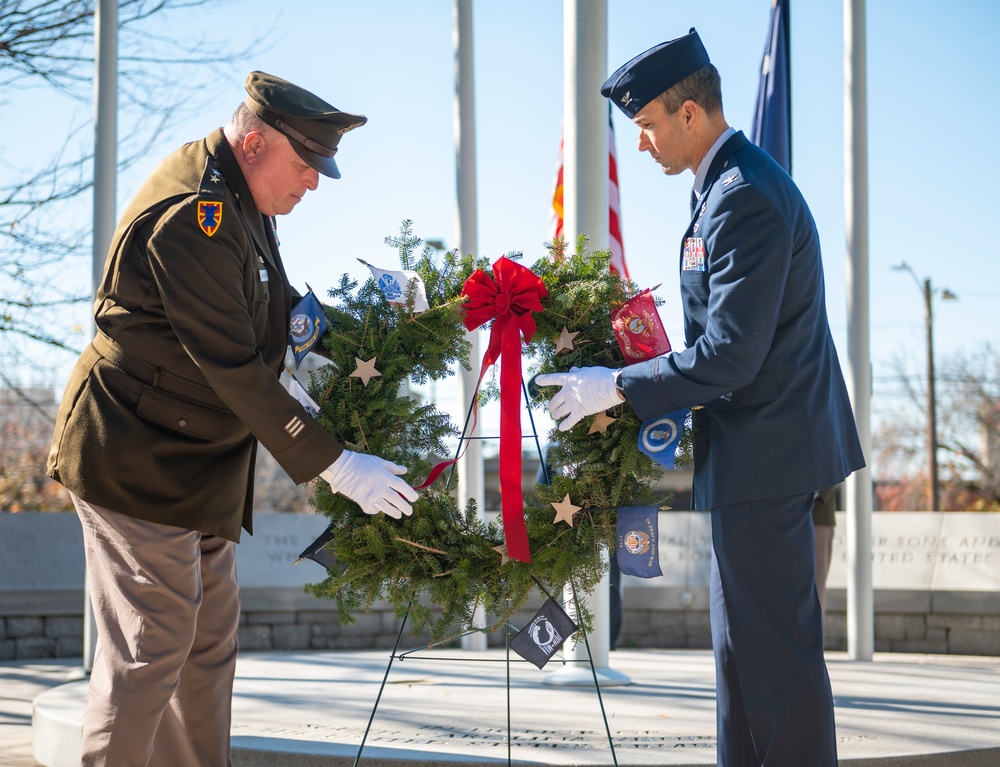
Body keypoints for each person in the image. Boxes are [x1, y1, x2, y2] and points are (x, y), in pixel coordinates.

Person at [47, 71, 418, 766]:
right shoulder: (197, 212)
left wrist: (362, 333)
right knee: (154, 641)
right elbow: (234, 365)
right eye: (306, 164)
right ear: (253, 144)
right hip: (137, 453)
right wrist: (336, 464)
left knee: (207, 646)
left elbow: (269, 319)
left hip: (199, 462)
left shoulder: (244, 204)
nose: (313, 182)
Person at [535, 29, 865, 767]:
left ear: (690, 114)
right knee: (741, 664)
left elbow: (732, 356)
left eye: (648, 124)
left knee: (774, 669)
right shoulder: (724, 188)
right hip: (755, 459)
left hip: (770, 460)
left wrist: (615, 387)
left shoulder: (743, 196)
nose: (643, 143)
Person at [813, 485, 838, 618]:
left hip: (818, 516)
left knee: (815, 588)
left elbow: (833, 467)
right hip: (784, 515)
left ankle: (813, 638)